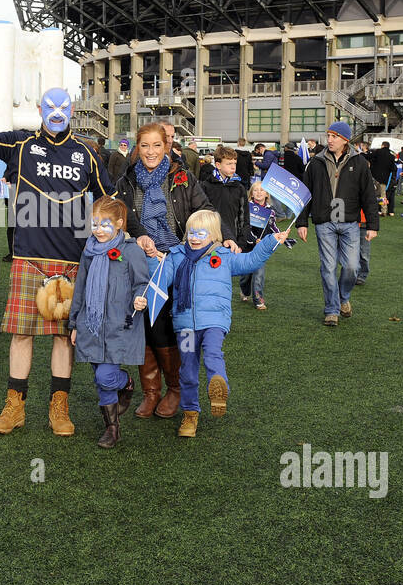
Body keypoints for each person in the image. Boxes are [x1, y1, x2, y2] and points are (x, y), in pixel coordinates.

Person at [0, 75, 112, 437]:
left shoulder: (88, 152)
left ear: (72, 111)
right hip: (29, 256)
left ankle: (59, 408)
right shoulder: (21, 144)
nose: (57, 113)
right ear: (40, 111)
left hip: (73, 259)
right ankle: (15, 406)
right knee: (22, 334)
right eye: (50, 107)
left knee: (64, 338)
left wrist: (136, 236)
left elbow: (111, 198)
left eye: (63, 107)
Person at [156, 208, 288, 437]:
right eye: (191, 233)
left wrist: (269, 242)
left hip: (214, 321)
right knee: (187, 369)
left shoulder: (224, 256)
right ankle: (190, 414)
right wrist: (152, 264)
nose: (195, 238)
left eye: (201, 234)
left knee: (213, 353)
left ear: (215, 236)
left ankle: (219, 387)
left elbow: (250, 261)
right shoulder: (176, 256)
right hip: (186, 325)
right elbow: (160, 279)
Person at [115, 121, 209, 417]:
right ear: (137, 148)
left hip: (177, 259)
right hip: (141, 262)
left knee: (166, 327)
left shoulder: (182, 177)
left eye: (157, 145)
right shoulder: (126, 181)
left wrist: (228, 237)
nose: (151, 151)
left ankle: (175, 389)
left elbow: (204, 211)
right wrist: (139, 233)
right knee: (143, 325)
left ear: (166, 146)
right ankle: (151, 391)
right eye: (145, 145)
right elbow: (121, 217)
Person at [66, 196, 150, 448]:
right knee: (99, 377)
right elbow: (80, 287)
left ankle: (126, 382)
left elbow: (142, 283)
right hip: (90, 326)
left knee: (105, 376)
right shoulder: (89, 251)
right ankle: (112, 429)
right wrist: (74, 324)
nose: (98, 230)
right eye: (94, 224)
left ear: (120, 224)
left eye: (104, 224)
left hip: (119, 326)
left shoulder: (131, 251)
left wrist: (140, 297)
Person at [295, 121, 378, 327]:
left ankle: (343, 298)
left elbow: (368, 195)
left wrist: (373, 225)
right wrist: (302, 222)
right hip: (324, 222)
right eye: (328, 135)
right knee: (328, 267)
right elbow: (305, 194)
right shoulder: (315, 163)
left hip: (350, 222)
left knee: (352, 266)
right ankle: (331, 310)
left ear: (345, 140)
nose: (329, 140)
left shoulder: (359, 162)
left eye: (334, 136)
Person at [238, 179, 287, 309]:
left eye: (262, 190)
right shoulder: (247, 208)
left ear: (267, 194)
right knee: (246, 274)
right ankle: (244, 290)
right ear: (251, 194)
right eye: (256, 190)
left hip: (262, 247)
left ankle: (258, 300)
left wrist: (281, 235)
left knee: (258, 274)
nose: (259, 192)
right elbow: (244, 227)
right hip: (247, 245)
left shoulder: (270, 211)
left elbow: (273, 226)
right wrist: (253, 240)